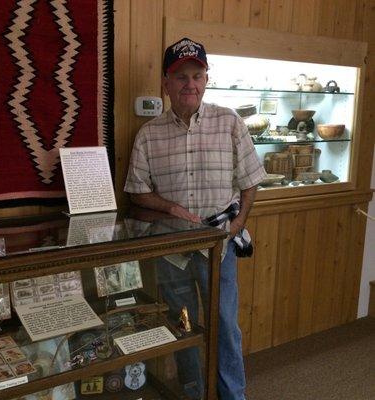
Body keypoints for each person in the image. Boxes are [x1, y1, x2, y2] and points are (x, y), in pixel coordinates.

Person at [124, 38, 266, 400]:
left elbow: (251, 183)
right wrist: (170, 208)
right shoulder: (148, 135)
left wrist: (234, 227)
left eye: (197, 75)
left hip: (219, 248)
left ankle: (232, 395)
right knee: (182, 326)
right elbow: (136, 191)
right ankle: (192, 392)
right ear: (166, 84)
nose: (190, 83)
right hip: (172, 250)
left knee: (224, 327)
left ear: (206, 79)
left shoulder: (229, 122)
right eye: (181, 76)